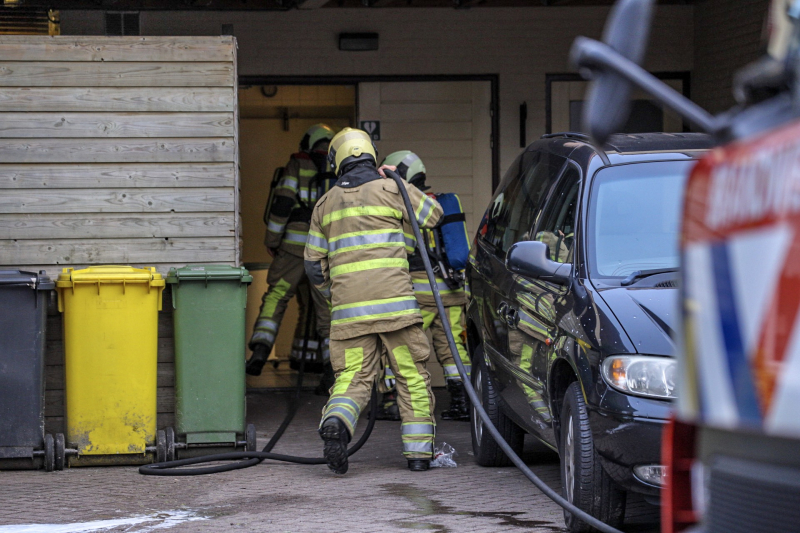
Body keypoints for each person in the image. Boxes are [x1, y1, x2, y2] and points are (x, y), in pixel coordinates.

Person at [304, 128, 443, 474]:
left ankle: (337, 421)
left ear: (337, 160)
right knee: (410, 376)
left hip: (350, 317)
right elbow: (433, 216)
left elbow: (312, 267)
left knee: (353, 377)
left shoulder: (324, 204)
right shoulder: (389, 188)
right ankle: (418, 456)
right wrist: (399, 181)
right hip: (397, 311)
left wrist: (335, 298)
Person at [375, 150, 472, 422]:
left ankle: (392, 402)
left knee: (400, 348)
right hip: (452, 293)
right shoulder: (441, 203)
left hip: (419, 295)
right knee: (453, 349)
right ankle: (463, 403)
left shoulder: (406, 206)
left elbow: (402, 250)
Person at [246, 124, 336, 396]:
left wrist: (272, 240)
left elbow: (282, 203)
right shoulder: (340, 169)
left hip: (294, 247)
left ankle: (261, 348)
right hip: (326, 250)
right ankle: (333, 372)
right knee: (327, 313)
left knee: (277, 296)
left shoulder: (298, 165)